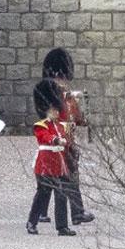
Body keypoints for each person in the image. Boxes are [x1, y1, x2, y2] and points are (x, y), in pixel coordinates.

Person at [43, 47, 93, 225]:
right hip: (56, 143)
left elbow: (76, 119)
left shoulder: (69, 97)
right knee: (49, 181)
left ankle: (77, 213)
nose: (63, 82)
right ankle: (41, 212)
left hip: (69, 143)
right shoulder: (51, 97)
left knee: (72, 178)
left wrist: (83, 117)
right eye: (60, 78)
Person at [27, 78, 75, 236]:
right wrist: (56, 140)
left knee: (61, 195)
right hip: (45, 165)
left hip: (59, 165)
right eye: (52, 110)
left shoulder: (61, 126)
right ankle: (31, 222)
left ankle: (62, 226)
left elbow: (66, 142)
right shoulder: (41, 125)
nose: (56, 112)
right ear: (45, 110)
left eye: (56, 109)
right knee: (42, 194)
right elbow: (45, 137)